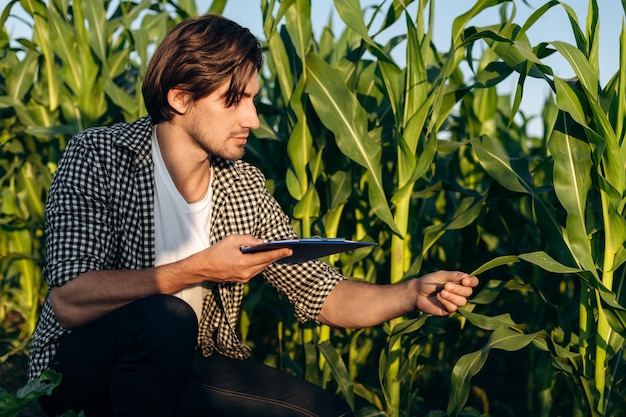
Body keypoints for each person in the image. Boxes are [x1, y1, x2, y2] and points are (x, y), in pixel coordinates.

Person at [27, 14, 479, 417]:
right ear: (182, 98)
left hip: (181, 367)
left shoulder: (241, 184)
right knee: (165, 319)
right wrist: (199, 268)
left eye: (254, 100)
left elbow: (321, 292)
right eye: (235, 100)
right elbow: (70, 299)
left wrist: (410, 293)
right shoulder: (100, 156)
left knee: (323, 411)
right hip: (77, 375)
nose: (254, 119)